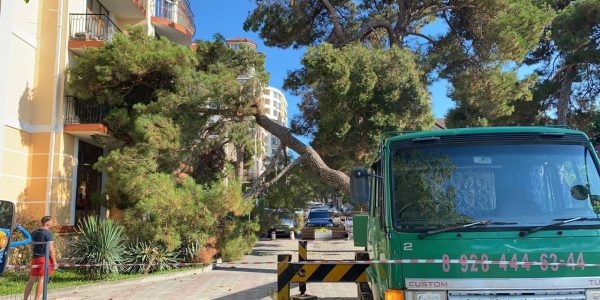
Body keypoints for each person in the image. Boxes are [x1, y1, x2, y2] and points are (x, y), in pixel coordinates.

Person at [23, 216, 57, 300]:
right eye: (51, 222)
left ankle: (25, 299)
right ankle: (37, 299)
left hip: (35, 258)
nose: (52, 223)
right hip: (44, 259)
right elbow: (51, 249)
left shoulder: (34, 232)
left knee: (31, 280)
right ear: (47, 223)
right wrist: (55, 262)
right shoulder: (48, 233)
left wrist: (33, 253)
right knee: (42, 279)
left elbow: (31, 244)